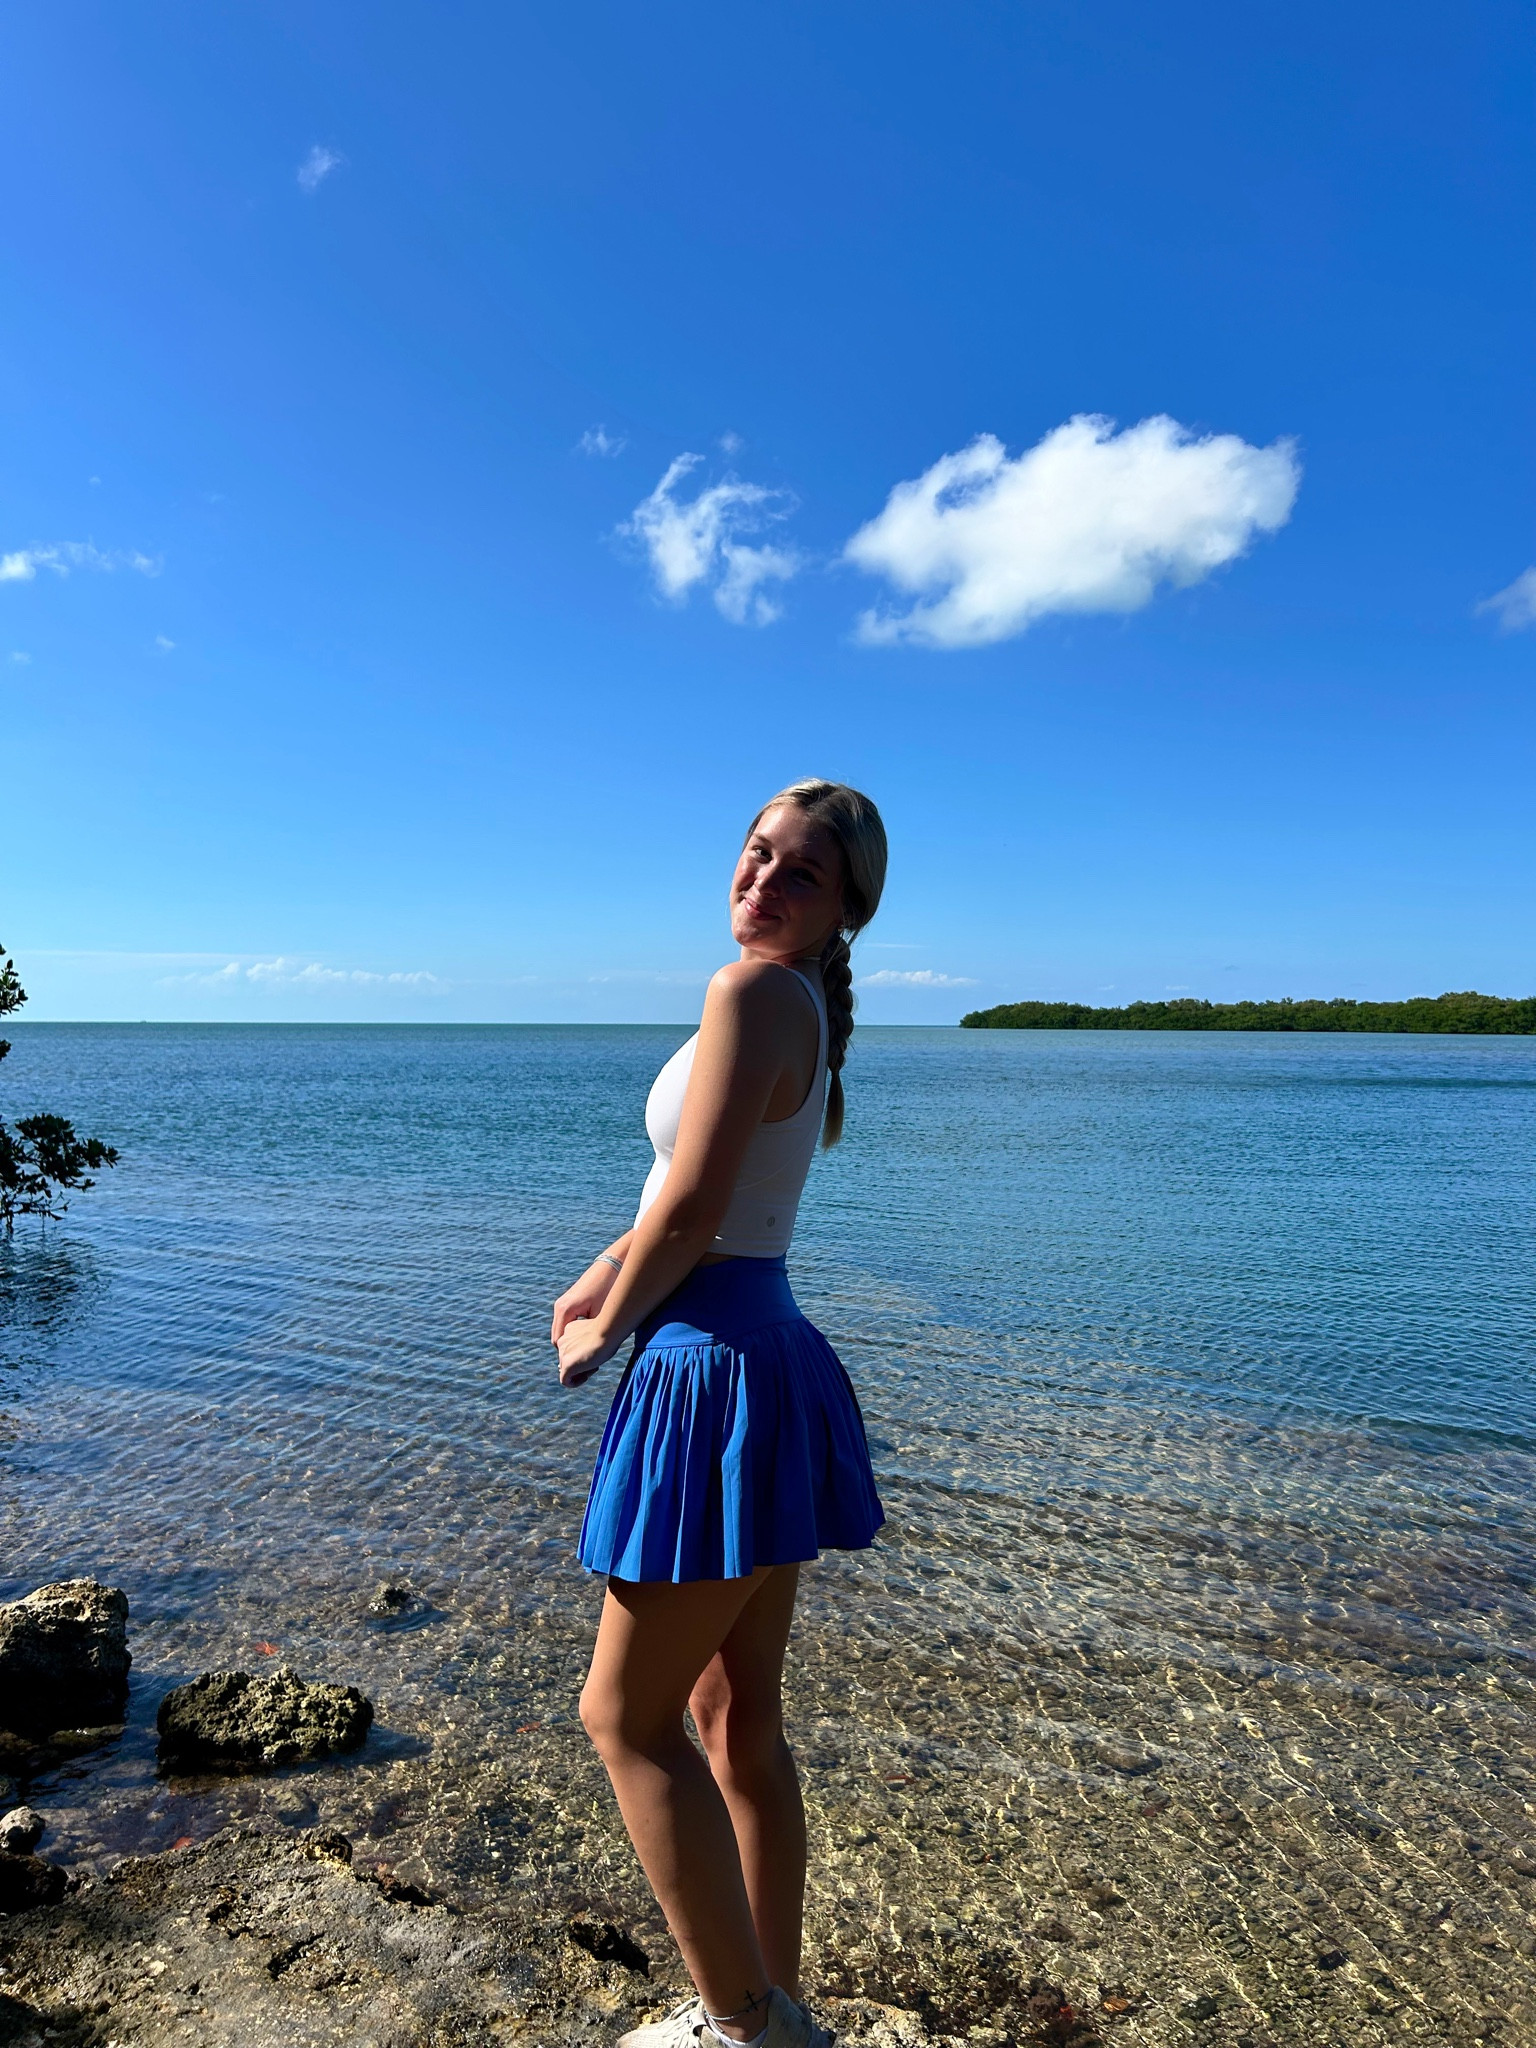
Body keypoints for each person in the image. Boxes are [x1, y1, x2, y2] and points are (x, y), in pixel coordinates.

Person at [551, 779, 888, 2048]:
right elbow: (690, 1194)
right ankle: (774, 2005)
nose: (765, 879)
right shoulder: (790, 1000)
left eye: (802, 871)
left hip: (714, 1368)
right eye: (757, 853)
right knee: (732, 1716)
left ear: (844, 907)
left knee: (621, 1718)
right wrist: (597, 1276)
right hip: (767, 1352)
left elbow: (695, 1214)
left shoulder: (751, 993)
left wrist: (602, 1330)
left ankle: (741, 2021)